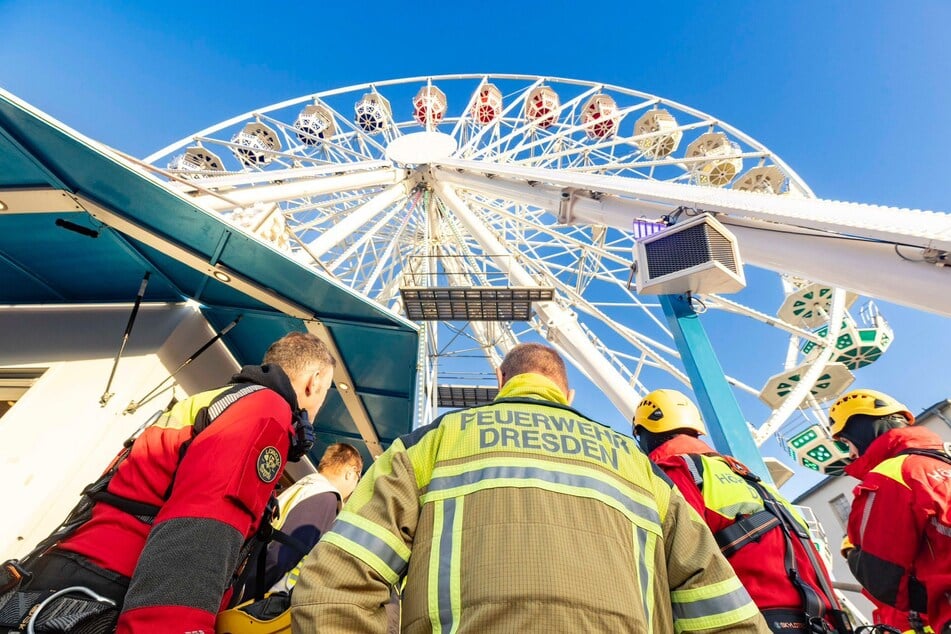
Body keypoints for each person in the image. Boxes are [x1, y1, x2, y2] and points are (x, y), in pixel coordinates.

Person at [291, 343, 768, 633]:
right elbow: (724, 611)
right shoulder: (642, 471)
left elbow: (334, 581)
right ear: (568, 394)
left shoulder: (430, 445)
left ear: (501, 383)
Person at [13, 330, 336, 633]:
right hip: (115, 592)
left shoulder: (220, 400)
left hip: (71, 579)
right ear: (314, 381)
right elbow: (204, 527)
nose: (320, 407)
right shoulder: (267, 411)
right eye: (326, 392)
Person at [634, 388, 849, 634]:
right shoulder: (750, 479)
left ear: (645, 434)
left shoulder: (675, 470)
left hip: (749, 621)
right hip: (821, 622)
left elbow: (664, 556)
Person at [829, 389, 951, 634]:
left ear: (861, 429)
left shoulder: (892, 477)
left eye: (846, 442)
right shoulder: (942, 465)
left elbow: (883, 579)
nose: (851, 454)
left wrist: (853, 554)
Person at [262, 442, 363, 594]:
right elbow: (283, 554)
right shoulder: (326, 498)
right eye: (358, 478)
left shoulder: (305, 487)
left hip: (254, 588)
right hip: (265, 598)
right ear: (351, 472)